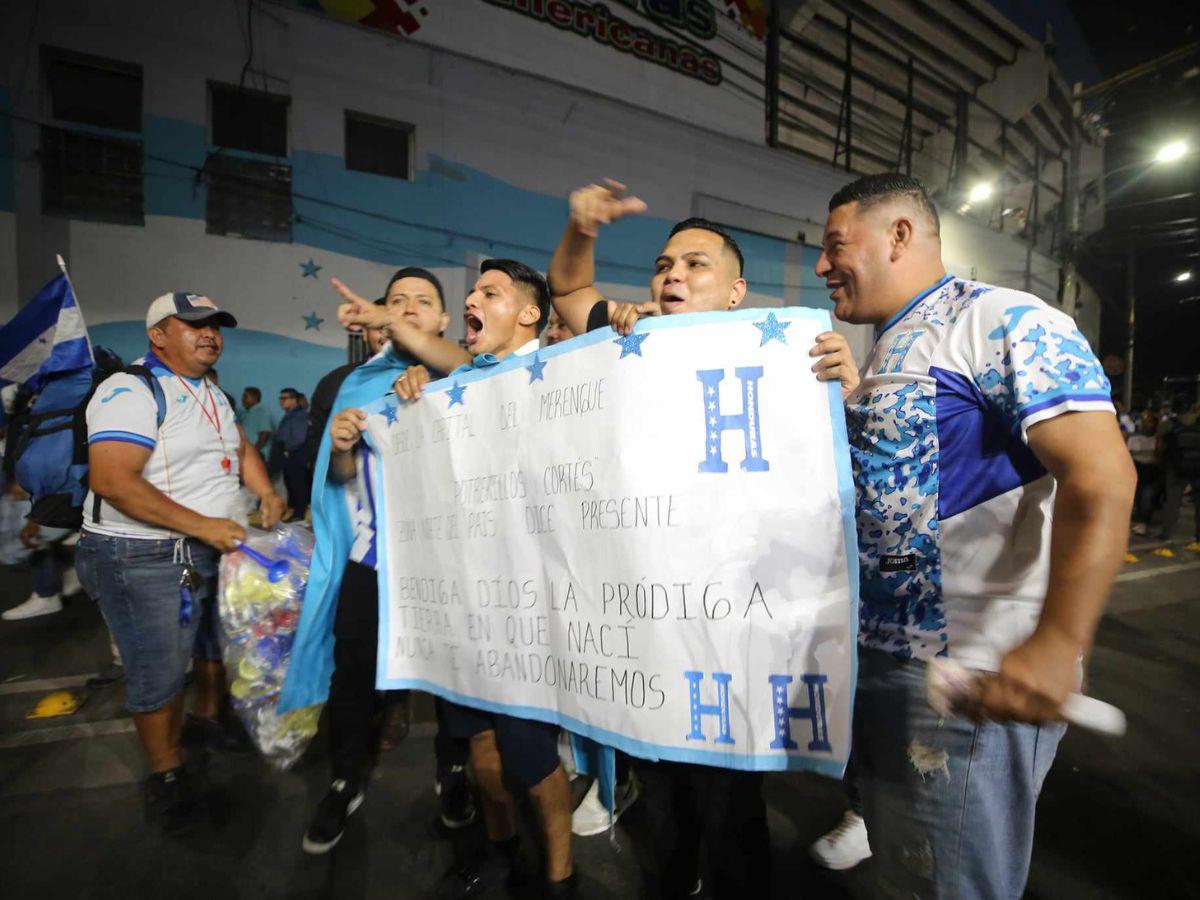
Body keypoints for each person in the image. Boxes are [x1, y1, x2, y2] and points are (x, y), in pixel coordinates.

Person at [816, 173, 1134, 897]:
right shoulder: (887, 345)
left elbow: (1103, 478)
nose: (820, 264)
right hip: (889, 669)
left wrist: (1057, 643)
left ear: (899, 235)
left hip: (971, 680)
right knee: (906, 874)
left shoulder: (1003, 320)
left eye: (836, 244)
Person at [545, 180, 860, 900]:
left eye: (695, 265)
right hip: (656, 624)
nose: (673, 277)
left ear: (735, 291)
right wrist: (582, 227)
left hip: (734, 630)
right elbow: (566, 286)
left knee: (730, 804)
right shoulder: (627, 337)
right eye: (663, 265)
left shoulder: (783, 355)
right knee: (664, 796)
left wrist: (843, 393)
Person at [382, 261, 579, 900]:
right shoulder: (460, 385)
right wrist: (412, 400)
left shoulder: (567, 378)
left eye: (488, 293)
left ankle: (559, 876)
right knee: (480, 750)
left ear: (529, 315)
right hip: (468, 605)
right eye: (471, 293)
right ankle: (502, 853)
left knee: (530, 758)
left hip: (531, 612)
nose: (472, 299)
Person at [74, 291, 284, 834]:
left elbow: (239, 449)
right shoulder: (129, 390)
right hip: (142, 554)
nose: (209, 333)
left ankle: (206, 720)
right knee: (160, 668)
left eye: (215, 325)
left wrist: (265, 493)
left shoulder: (210, 391)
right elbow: (112, 480)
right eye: (192, 325)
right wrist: (204, 527)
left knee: (212, 641)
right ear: (158, 336)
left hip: (205, 548)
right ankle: (166, 774)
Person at [293, 268, 478, 856]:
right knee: (352, 678)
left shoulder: (464, 375)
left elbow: (473, 378)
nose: (408, 309)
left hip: (446, 568)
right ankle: (346, 779)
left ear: (443, 320)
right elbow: (340, 485)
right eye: (397, 301)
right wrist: (344, 449)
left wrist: (432, 391)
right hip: (369, 563)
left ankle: (453, 772)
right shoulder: (346, 386)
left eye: (422, 303)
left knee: (452, 680)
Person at [1156, 401, 1200, 548]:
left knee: (1173, 501)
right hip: (1197, 467)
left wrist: (1160, 461)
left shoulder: (1168, 424)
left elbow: (1160, 446)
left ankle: (1168, 534)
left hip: (1175, 467)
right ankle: (1198, 535)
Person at [273, 387, 310, 520]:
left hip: (295, 455)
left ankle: (299, 514)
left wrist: (287, 450)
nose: (281, 401)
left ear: (294, 400)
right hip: (287, 455)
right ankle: (295, 513)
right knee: (290, 485)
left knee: (298, 485)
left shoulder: (300, 415)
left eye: (285, 398)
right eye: (280, 398)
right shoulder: (288, 415)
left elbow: (299, 438)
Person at [1128, 410, 1162, 534]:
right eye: (1143, 421)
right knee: (1139, 496)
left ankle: (1144, 523)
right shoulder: (1134, 437)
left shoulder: (1159, 438)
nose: (1146, 424)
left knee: (1146, 496)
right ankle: (1140, 520)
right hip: (1137, 468)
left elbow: (1159, 456)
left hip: (1152, 470)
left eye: (1149, 421)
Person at [239, 387, 275, 453]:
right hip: (248, 453)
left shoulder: (263, 411)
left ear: (254, 398)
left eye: (245, 397)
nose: (242, 400)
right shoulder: (245, 413)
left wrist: (255, 451)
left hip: (259, 453)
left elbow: (265, 434)